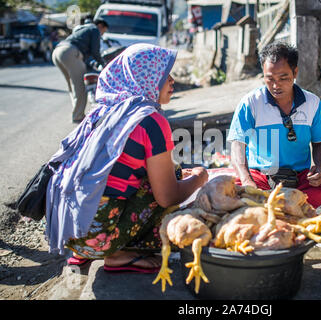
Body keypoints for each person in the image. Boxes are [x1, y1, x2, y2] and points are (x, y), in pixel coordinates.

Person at [45, 43, 208, 272]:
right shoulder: (150, 121)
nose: (171, 80)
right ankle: (118, 254)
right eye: (163, 74)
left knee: (157, 174)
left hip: (65, 231)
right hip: (96, 240)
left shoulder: (103, 110)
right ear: (142, 78)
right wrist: (199, 178)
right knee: (173, 179)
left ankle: (88, 251)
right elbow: (168, 196)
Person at [227, 41, 321, 208]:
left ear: (295, 72)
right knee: (227, 191)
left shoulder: (312, 103)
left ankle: (271, 204)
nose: (275, 85)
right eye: (269, 79)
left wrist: (320, 169)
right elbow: (237, 144)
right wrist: (246, 180)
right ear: (263, 75)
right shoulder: (250, 103)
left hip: (300, 179)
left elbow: (320, 143)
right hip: (261, 179)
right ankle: (292, 205)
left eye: (283, 78)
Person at [52, 19, 109, 123]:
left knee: (71, 85)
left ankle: (76, 112)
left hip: (57, 51)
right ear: (100, 26)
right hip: (70, 52)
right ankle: (78, 116)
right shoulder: (94, 29)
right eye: (104, 31)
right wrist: (104, 64)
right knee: (80, 86)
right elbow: (95, 51)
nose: (102, 34)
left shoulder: (82, 28)